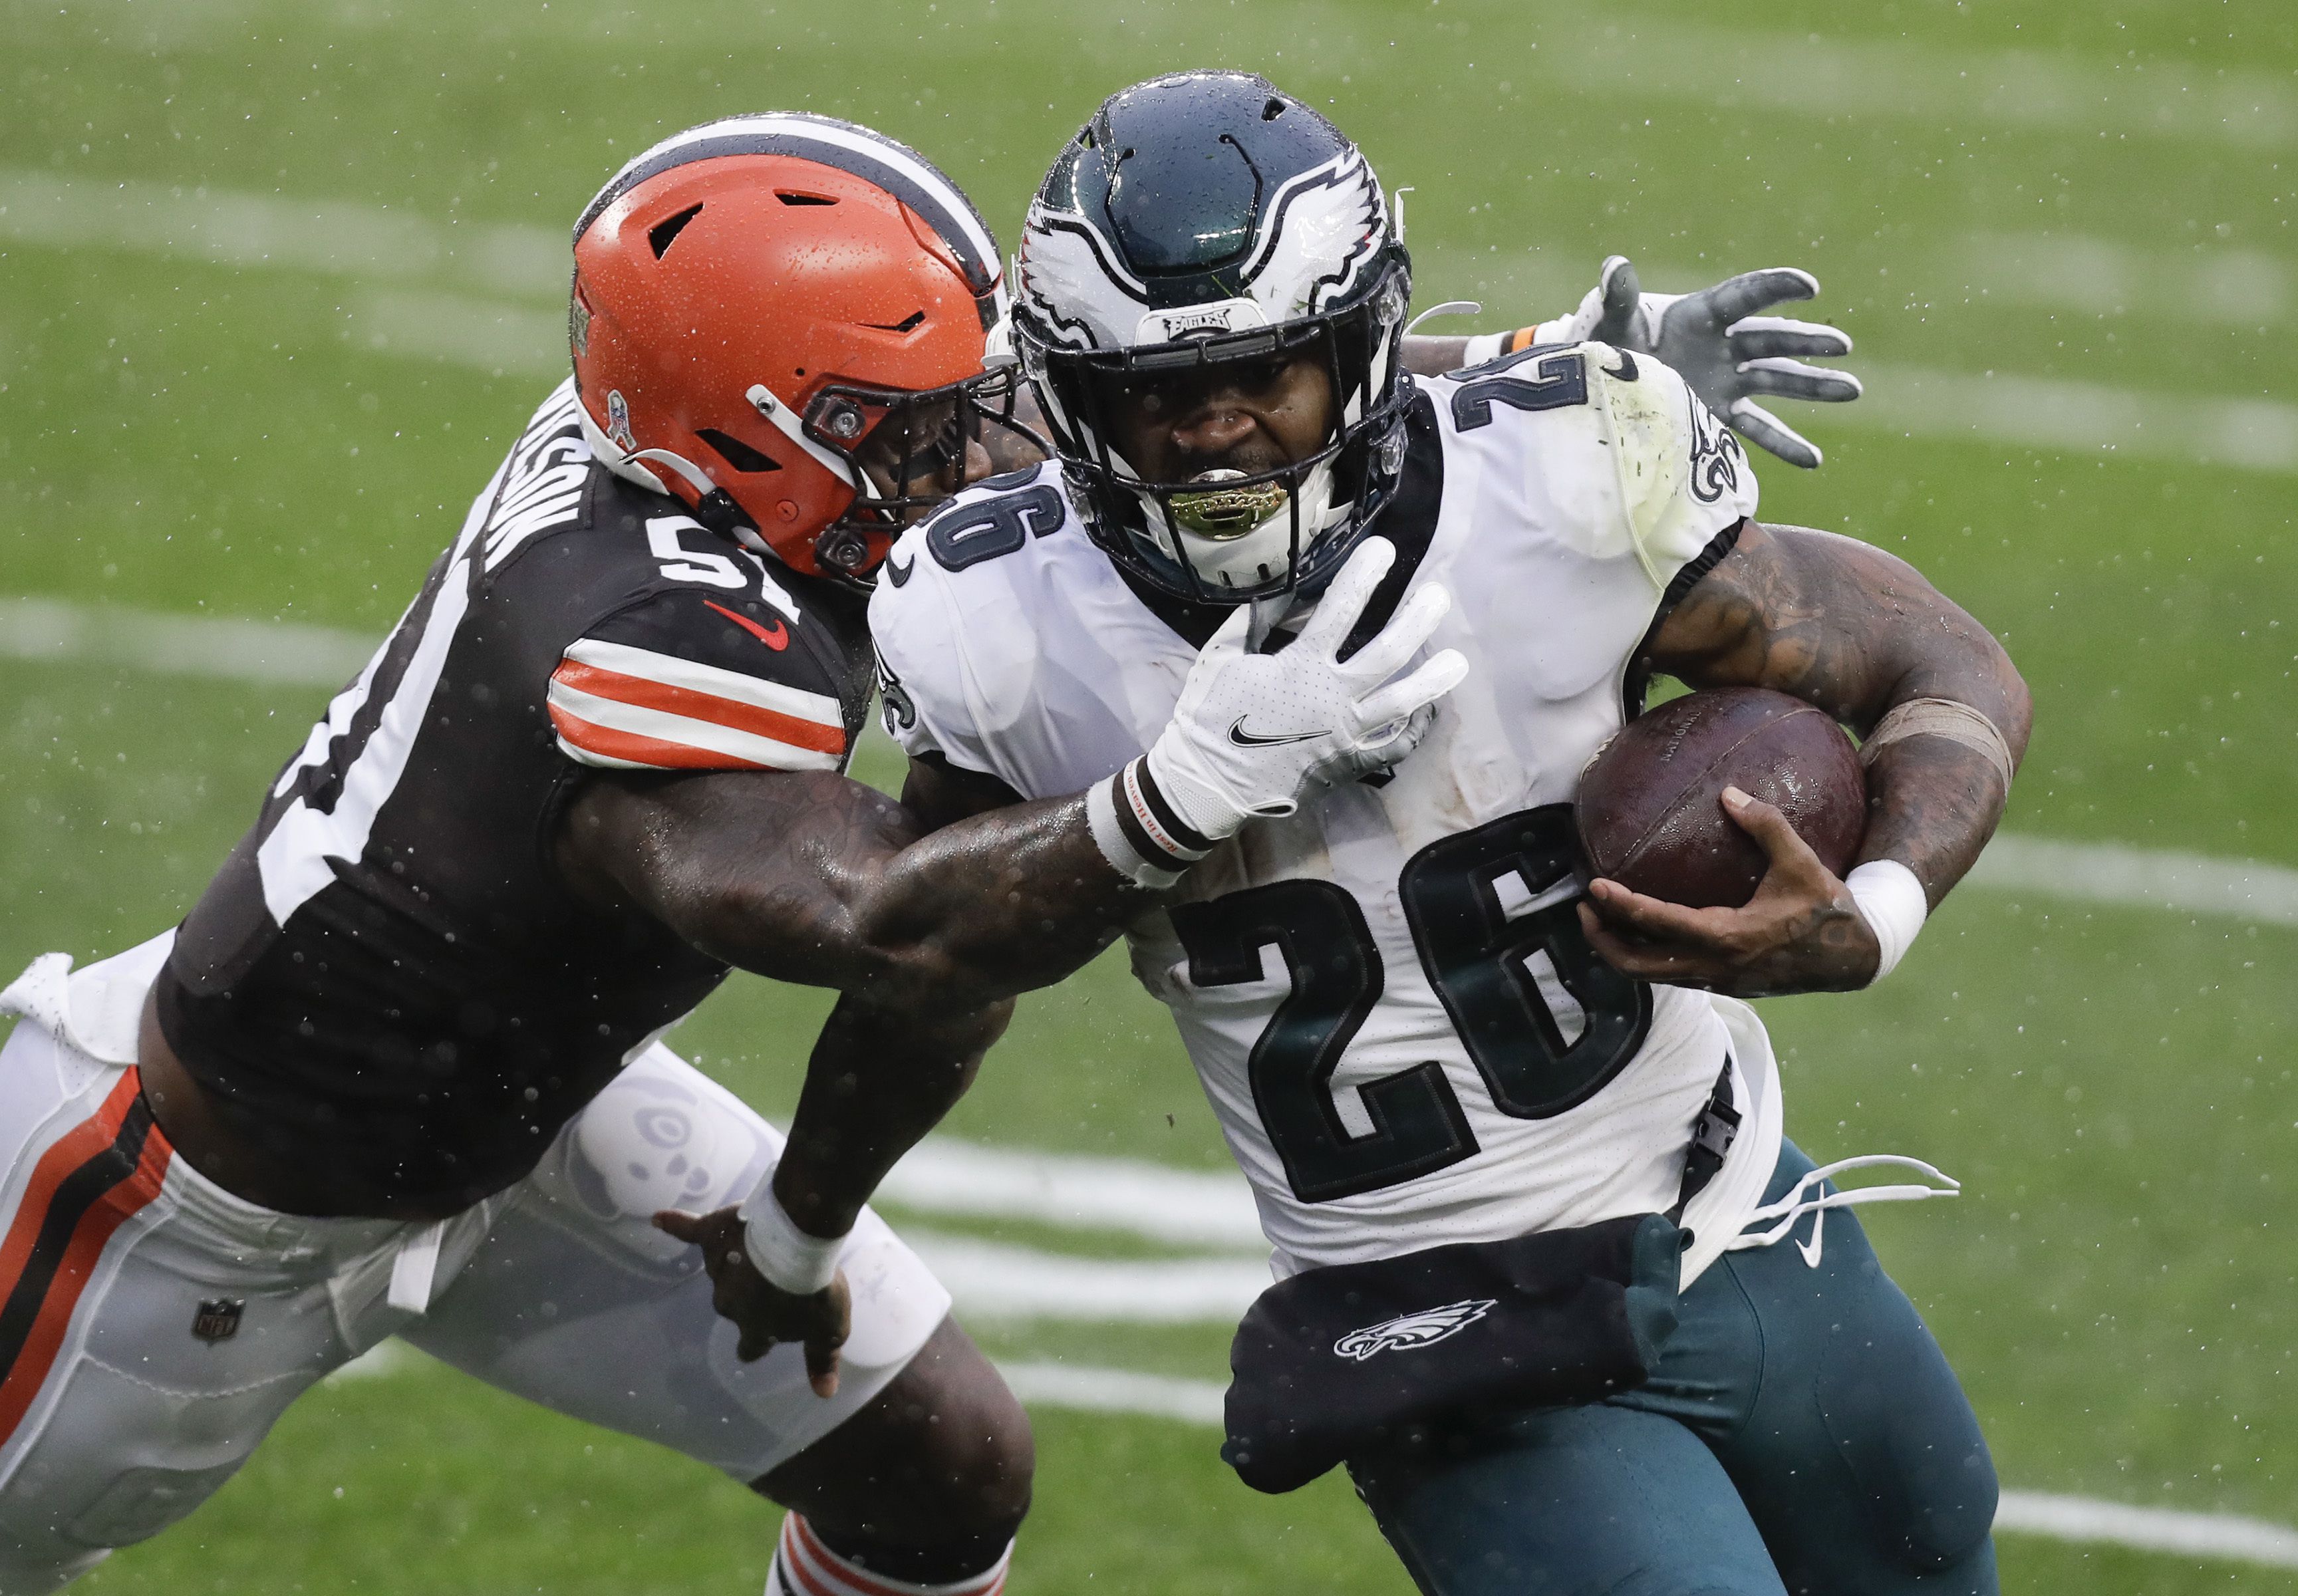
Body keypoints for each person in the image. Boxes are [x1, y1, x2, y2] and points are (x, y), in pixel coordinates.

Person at [0, 113, 1474, 1596]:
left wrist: (1522, 377)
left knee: (941, 1471)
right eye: (915, 431)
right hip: (186, 1207)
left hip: (527, 1117)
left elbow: (1124, 407)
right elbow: (902, 929)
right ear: (760, 436)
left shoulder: (699, 428)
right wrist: (1175, 795)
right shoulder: (642, 629)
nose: (981, 451)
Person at [841, 72, 2029, 1595]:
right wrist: (1158, 805)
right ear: (1068, 395)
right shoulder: (995, 613)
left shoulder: (1562, 486)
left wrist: (1874, 912)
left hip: (1742, 1201)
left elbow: (1941, 665)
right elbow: (914, 943)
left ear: (1360, 348)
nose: (1214, 431)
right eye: (1154, 391)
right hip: (1444, 1320)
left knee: (1932, 1567)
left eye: (1266, 371)